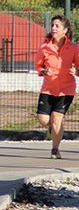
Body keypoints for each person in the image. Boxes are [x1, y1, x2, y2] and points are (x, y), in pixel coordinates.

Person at [35, 15, 79, 159]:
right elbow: (39, 66)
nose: (53, 28)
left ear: (65, 30)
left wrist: (76, 71)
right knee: (43, 120)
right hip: (48, 88)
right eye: (52, 25)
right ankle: (53, 127)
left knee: (56, 118)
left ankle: (55, 149)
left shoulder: (73, 48)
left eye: (57, 26)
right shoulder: (44, 47)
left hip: (66, 89)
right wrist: (43, 71)